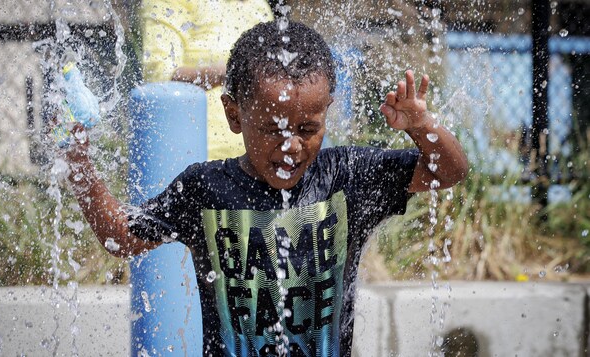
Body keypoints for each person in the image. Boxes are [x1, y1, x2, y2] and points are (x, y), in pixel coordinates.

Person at [63, 20, 468, 357]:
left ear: (326, 111)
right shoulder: (205, 188)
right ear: (234, 115)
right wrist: (80, 164)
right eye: (272, 130)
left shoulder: (347, 177)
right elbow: (120, 237)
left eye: (308, 129)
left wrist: (421, 124)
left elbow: (448, 171)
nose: (291, 146)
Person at [141, 0, 274, 160]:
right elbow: (159, 77)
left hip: (255, 159)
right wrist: (223, 74)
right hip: (193, 157)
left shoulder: (257, 5)